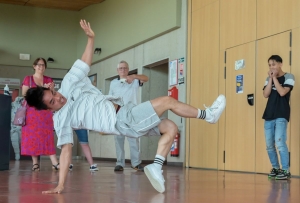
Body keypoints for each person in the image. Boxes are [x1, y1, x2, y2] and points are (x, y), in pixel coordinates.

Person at [25, 20, 226, 193]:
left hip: (126, 113)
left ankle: (156, 167)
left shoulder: (68, 83)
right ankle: (208, 115)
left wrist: (90, 39)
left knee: (170, 128)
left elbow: (84, 64)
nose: (59, 98)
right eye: (53, 102)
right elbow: (66, 150)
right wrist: (60, 185)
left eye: (55, 94)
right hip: (121, 121)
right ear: (47, 110)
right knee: (167, 101)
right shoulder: (60, 120)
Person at [109, 60, 148, 172]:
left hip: (132, 113)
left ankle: (136, 163)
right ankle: (120, 163)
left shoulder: (135, 80)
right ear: (117, 70)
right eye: (121, 68)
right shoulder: (113, 83)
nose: (123, 70)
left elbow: (146, 78)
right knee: (118, 140)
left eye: (125, 68)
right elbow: (110, 98)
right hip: (118, 114)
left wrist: (134, 76)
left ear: (128, 69)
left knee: (134, 139)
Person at [21, 57, 60, 171]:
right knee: (34, 137)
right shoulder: (28, 79)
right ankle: (35, 163)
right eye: (39, 65)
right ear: (34, 66)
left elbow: (53, 95)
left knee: (47, 135)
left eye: (43, 65)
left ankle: (54, 162)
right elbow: (25, 95)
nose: (41, 67)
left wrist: (51, 89)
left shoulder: (48, 79)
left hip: (45, 112)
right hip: (32, 113)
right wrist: (41, 90)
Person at [262, 55, 294, 180]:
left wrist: (274, 77)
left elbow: (282, 92)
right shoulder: (268, 78)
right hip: (269, 115)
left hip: (281, 114)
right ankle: (275, 168)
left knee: (280, 143)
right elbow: (266, 94)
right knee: (269, 145)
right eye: (269, 65)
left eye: (274, 64)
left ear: (280, 64)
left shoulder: (289, 77)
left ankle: (285, 170)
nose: (271, 67)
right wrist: (270, 79)